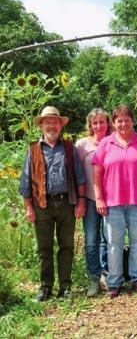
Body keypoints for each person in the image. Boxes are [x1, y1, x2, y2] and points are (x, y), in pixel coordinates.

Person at [19, 106, 86, 301]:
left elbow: (80, 178)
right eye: (47, 122)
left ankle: (65, 287)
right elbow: (25, 181)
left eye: (55, 122)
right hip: (42, 205)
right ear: (41, 126)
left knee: (67, 246)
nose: (51, 126)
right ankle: (45, 287)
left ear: (60, 125)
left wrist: (81, 202)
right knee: (44, 248)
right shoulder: (33, 149)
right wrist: (28, 207)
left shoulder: (68, 147)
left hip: (66, 203)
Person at [92, 105, 137, 298]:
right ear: (114, 123)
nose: (123, 124)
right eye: (119, 120)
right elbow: (97, 173)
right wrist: (99, 198)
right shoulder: (106, 143)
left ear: (133, 121)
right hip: (112, 203)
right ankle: (115, 282)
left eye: (126, 120)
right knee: (114, 243)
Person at [75, 108, 112, 296]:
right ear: (90, 125)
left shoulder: (114, 141)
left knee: (108, 239)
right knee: (91, 241)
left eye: (102, 122)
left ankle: (107, 273)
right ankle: (93, 277)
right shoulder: (82, 145)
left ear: (108, 123)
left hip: (111, 199)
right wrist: (80, 200)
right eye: (95, 123)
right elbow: (78, 174)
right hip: (89, 199)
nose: (99, 126)